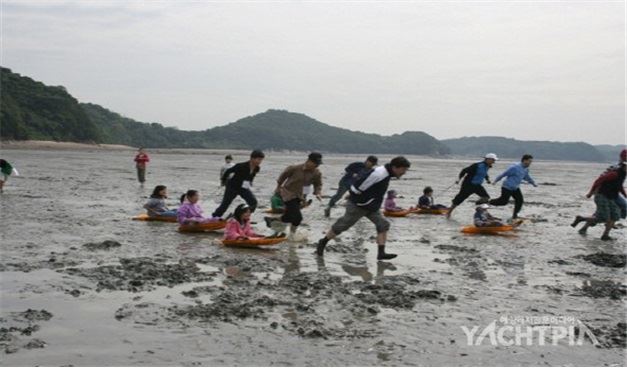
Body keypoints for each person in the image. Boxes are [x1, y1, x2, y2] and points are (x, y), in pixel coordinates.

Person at [316, 156, 411, 260]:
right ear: (395, 167)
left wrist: (372, 201)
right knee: (342, 226)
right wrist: (355, 198)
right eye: (403, 170)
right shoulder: (379, 173)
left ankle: (381, 253)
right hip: (358, 205)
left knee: (383, 224)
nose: (404, 172)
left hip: (371, 206)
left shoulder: (387, 173)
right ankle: (323, 242)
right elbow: (358, 187)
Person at [265, 152, 323, 237]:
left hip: (301, 196)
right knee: (298, 217)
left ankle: (275, 223)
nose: (316, 166)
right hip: (288, 194)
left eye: (318, 164)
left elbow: (318, 184)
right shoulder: (295, 168)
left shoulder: (317, 173)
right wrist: (278, 187)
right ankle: (290, 236)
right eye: (315, 164)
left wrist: (318, 193)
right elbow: (282, 176)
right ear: (309, 161)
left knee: (290, 216)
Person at [571, 161, 626, 240]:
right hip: (601, 196)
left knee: (616, 214)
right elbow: (598, 181)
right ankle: (581, 218)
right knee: (603, 217)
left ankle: (605, 235)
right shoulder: (614, 174)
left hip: (610, 197)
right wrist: (590, 192)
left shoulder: (622, 174)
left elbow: (619, 185)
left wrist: (624, 194)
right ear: (624, 166)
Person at [212, 150, 265, 218]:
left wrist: (250, 182)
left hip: (243, 188)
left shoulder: (257, 168)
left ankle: (241, 216)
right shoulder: (241, 166)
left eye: (261, 160)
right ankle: (215, 217)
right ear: (252, 158)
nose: (260, 161)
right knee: (225, 204)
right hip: (232, 187)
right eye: (259, 159)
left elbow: (251, 176)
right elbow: (228, 171)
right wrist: (224, 181)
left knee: (253, 202)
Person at [446, 153, 497, 219]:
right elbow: (464, 170)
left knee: (486, 197)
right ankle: (449, 212)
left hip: (477, 186)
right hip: (468, 185)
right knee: (459, 199)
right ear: (488, 159)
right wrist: (458, 179)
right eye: (493, 160)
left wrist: (487, 180)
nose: (494, 162)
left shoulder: (487, 166)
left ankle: (481, 209)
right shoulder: (477, 165)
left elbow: (485, 173)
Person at [488, 154, 538, 219]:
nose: (530, 163)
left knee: (520, 201)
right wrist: (495, 181)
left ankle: (515, 216)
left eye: (531, 161)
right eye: (529, 161)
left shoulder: (526, 169)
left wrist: (533, 183)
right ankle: (488, 202)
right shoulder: (514, 167)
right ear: (524, 160)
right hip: (507, 187)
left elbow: (526, 177)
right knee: (503, 202)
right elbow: (503, 174)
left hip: (515, 188)